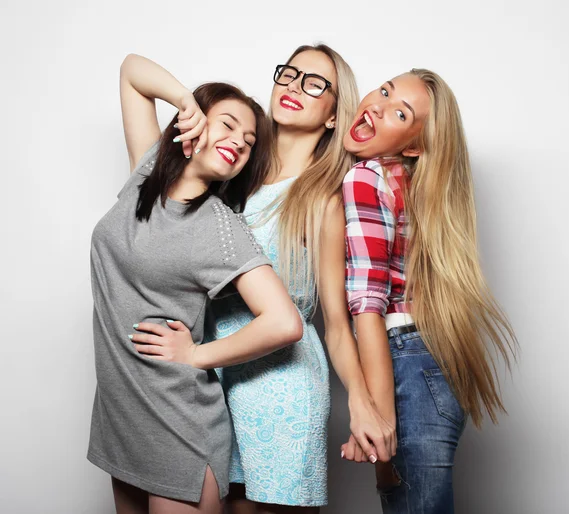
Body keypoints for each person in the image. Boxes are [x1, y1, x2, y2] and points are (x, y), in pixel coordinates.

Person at [147, 44, 396, 513]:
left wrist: (362, 401)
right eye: (289, 73)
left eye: (315, 83)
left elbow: (336, 324)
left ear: (331, 115)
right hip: (208, 385)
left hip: (279, 389)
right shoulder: (229, 174)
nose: (294, 86)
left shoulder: (323, 197)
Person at [88, 54, 303, 514]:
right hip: (123, 416)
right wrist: (184, 100)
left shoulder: (219, 228)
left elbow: (284, 322)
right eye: (227, 125)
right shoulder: (147, 170)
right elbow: (130, 71)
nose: (239, 144)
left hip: (177, 424)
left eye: (248, 143)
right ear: (195, 123)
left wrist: (196, 355)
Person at [340, 69, 517, 514]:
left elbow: (369, 305)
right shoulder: (419, 186)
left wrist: (378, 421)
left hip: (403, 361)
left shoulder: (365, 177)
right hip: (436, 361)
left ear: (414, 144)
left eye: (399, 111)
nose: (378, 105)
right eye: (384, 90)